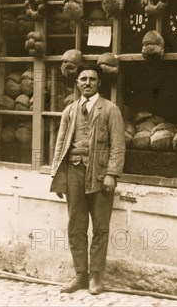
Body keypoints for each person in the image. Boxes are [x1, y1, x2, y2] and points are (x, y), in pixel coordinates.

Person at [50, 62, 125, 295]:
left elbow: (118, 145)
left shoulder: (110, 109)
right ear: (77, 83)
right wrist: (58, 176)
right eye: (83, 79)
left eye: (92, 79)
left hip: (101, 175)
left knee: (100, 226)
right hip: (73, 172)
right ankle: (80, 275)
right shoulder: (70, 111)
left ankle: (96, 277)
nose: (87, 83)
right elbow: (60, 145)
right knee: (76, 226)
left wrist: (112, 174)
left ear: (99, 83)